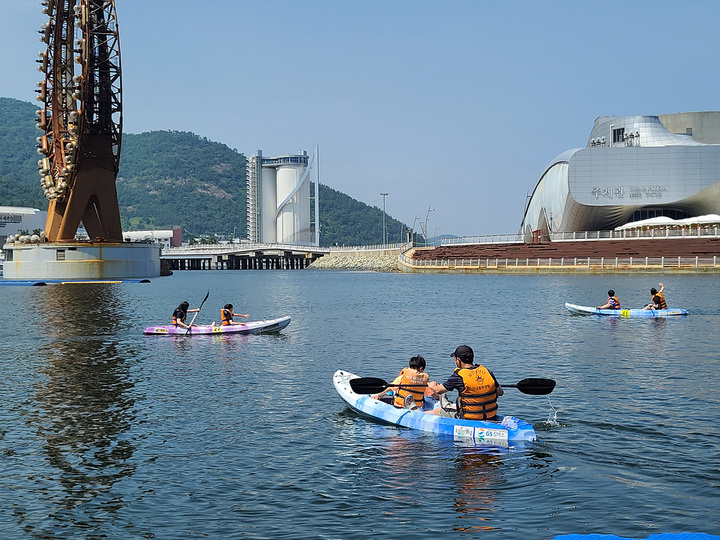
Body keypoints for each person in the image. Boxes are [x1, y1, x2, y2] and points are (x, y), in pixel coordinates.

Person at [426, 345, 504, 420]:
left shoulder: (459, 376)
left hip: (469, 418)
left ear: (458, 360)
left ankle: (416, 415)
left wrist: (432, 386)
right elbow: (500, 392)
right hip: (490, 416)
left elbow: (438, 391)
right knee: (456, 407)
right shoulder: (487, 372)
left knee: (439, 411)